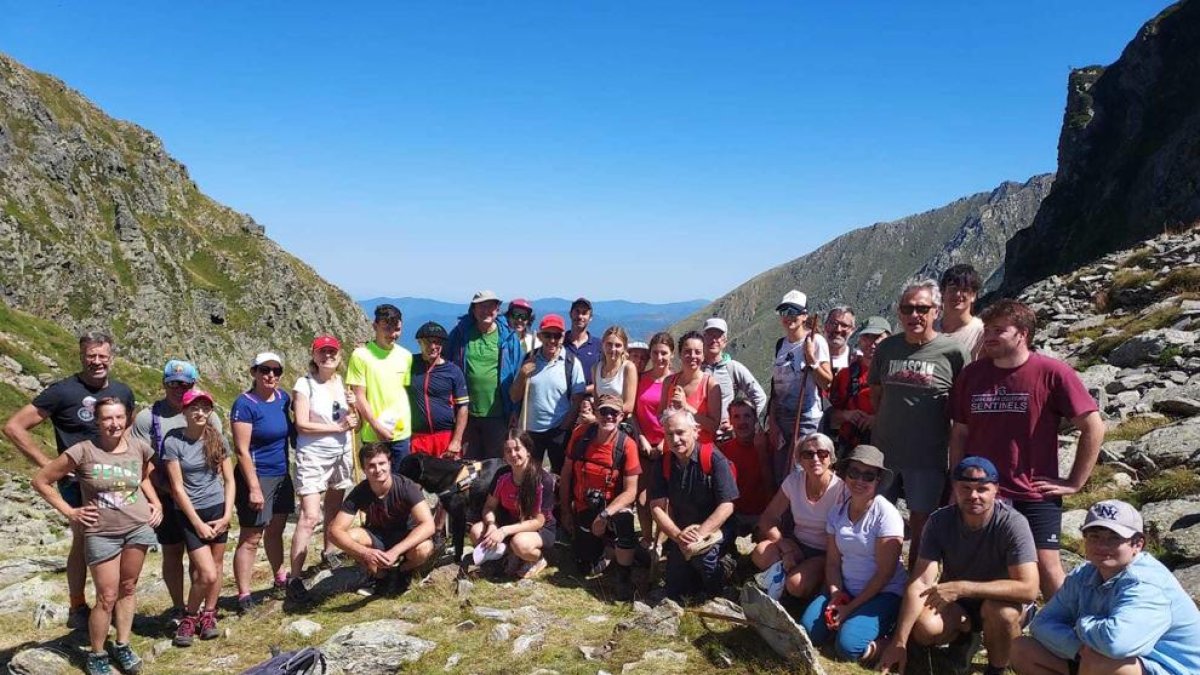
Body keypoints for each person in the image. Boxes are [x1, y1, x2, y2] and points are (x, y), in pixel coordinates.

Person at [949, 299, 1104, 599]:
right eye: (987, 330)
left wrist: (1074, 482)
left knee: (1047, 568)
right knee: (968, 563)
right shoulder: (972, 374)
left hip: (1033, 491)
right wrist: (957, 480)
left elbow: (1094, 427)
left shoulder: (1052, 373)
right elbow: (960, 433)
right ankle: (969, 632)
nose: (989, 337)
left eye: (999, 330)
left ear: (1022, 334)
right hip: (980, 488)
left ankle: (1070, 637)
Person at [3, 331, 135, 630]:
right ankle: (78, 604)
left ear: (111, 358)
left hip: (116, 479)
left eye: (103, 356)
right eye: (91, 356)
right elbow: (14, 427)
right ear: (81, 356)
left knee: (123, 537)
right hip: (77, 484)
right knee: (84, 540)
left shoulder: (123, 392)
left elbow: (126, 430)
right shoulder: (62, 392)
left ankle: (113, 602)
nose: (97, 362)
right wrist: (50, 465)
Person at [32, 397, 161, 675]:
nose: (114, 424)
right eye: (107, 419)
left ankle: (123, 644)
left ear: (126, 418)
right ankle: (97, 653)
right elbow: (41, 480)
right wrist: (71, 512)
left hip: (137, 526)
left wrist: (156, 503)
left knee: (128, 587)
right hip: (102, 532)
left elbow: (145, 477)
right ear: (97, 421)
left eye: (119, 418)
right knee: (107, 595)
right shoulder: (83, 451)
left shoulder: (138, 447)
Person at [878, 457, 1039, 675]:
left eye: (982, 489)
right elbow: (920, 582)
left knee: (1000, 613)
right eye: (966, 488)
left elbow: (1028, 589)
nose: (974, 495)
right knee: (925, 626)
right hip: (959, 603)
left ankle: (996, 669)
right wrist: (900, 641)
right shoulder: (939, 521)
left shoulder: (1013, 524)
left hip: (1001, 602)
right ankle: (964, 642)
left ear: (996, 490)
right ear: (955, 488)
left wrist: (963, 588)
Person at [1012, 500, 1200, 675]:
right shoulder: (1084, 573)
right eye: (1094, 536)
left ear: (1137, 544)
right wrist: (1078, 648)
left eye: (1113, 538)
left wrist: (1081, 625)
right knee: (1022, 649)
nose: (1102, 545)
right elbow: (1042, 624)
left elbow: (1116, 644)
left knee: (1099, 661)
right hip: (1107, 659)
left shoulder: (1146, 583)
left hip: (1173, 669)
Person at [869, 280, 970, 569]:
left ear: (936, 311)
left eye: (922, 309)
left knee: (922, 523)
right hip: (885, 454)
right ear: (899, 313)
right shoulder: (887, 348)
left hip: (928, 456)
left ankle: (913, 582)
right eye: (907, 308)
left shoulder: (953, 352)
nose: (915, 315)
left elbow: (961, 405)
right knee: (880, 519)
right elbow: (877, 392)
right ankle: (881, 578)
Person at [127, 359, 222, 626]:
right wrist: (159, 494)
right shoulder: (148, 417)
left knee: (200, 555)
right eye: (173, 384)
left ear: (194, 384)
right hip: (166, 496)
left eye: (185, 384)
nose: (179, 389)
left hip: (202, 498)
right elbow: (140, 462)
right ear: (164, 384)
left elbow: (215, 452)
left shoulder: (208, 414)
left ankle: (201, 608)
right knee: (172, 551)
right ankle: (179, 607)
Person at [799, 444, 906, 664]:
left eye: (868, 476)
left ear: (878, 480)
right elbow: (832, 563)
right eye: (854, 472)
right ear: (845, 475)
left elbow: (884, 574)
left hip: (883, 592)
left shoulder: (887, 515)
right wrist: (836, 595)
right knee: (808, 632)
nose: (860, 480)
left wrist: (849, 608)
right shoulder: (837, 512)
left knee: (848, 648)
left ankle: (894, 643)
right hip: (846, 588)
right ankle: (851, 625)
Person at [161, 389, 235, 648]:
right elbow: (177, 487)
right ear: (184, 411)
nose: (200, 412)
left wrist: (227, 514)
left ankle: (209, 615)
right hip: (191, 513)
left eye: (205, 408)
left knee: (216, 566)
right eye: (194, 408)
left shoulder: (217, 439)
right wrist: (196, 523)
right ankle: (189, 617)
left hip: (217, 509)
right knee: (206, 572)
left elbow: (229, 479)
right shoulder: (173, 441)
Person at [287, 335, 358, 602]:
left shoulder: (341, 383)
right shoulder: (304, 384)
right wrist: (337, 428)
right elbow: (302, 424)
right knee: (309, 516)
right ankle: (294, 577)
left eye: (333, 352)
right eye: (322, 352)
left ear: (339, 355)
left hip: (341, 452)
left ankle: (329, 552)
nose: (328, 356)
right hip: (313, 454)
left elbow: (352, 421)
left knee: (334, 508)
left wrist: (353, 416)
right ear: (314, 355)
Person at [650, 408, 738, 602]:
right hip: (682, 533)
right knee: (676, 590)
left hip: (715, 529)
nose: (675, 439)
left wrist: (699, 536)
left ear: (695, 430)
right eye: (669, 434)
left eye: (680, 432)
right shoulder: (663, 463)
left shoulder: (714, 459)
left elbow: (727, 505)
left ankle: (724, 573)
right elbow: (656, 506)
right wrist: (678, 536)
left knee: (704, 560)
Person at [230, 351, 296, 613]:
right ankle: (244, 594)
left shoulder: (283, 399)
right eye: (264, 370)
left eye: (276, 371)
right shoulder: (244, 404)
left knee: (276, 528)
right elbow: (242, 450)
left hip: (281, 473)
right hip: (256, 477)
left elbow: (292, 432)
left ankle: (279, 577)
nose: (270, 375)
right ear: (254, 372)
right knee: (251, 536)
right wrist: (254, 487)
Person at [327, 442, 436, 596]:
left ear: (390, 463)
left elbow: (428, 525)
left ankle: (403, 571)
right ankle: (379, 575)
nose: (378, 470)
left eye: (382, 463)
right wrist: (365, 552)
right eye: (371, 465)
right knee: (350, 538)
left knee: (424, 548)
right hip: (377, 536)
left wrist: (395, 551)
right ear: (363, 469)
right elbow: (335, 530)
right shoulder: (360, 491)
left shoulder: (406, 486)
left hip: (407, 536)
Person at [560, 394, 641, 596]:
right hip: (584, 506)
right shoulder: (581, 435)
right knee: (584, 567)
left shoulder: (627, 445)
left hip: (611, 508)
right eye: (604, 411)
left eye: (614, 412)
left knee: (624, 520)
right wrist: (565, 511)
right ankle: (608, 551)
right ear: (596, 412)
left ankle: (623, 576)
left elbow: (631, 491)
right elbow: (567, 472)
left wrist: (604, 515)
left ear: (621, 416)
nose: (608, 417)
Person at [751, 432, 845, 601]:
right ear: (799, 460)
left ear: (831, 458)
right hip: (797, 544)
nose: (815, 459)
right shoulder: (794, 481)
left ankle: (785, 582)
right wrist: (784, 545)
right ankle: (782, 580)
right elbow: (768, 518)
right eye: (808, 454)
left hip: (824, 552)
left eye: (822, 453)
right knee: (760, 552)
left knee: (795, 584)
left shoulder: (842, 490)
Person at [446, 290, 523, 460]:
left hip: (498, 414)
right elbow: (446, 363)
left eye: (491, 306)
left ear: (497, 309)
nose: (487, 310)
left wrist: (514, 410)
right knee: (468, 465)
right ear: (473, 310)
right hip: (466, 413)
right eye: (482, 306)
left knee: (495, 464)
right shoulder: (460, 334)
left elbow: (518, 375)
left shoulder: (508, 337)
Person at [471, 430, 556, 578]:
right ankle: (510, 554)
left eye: (517, 449)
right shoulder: (502, 475)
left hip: (538, 529)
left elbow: (538, 521)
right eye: (508, 450)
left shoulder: (543, 479)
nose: (513, 454)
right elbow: (489, 507)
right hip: (510, 521)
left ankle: (538, 558)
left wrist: (503, 531)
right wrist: (491, 524)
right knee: (476, 531)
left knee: (520, 544)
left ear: (528, 450)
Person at [768, 291, 832, 486]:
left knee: (801, 472)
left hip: (805, 420)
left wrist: (812, 360)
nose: (788, 316)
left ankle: (802, 515)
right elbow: (775, 387)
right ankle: (785, 515)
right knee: (782, 472)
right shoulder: (781, 344)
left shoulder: (815, 341)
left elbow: (827, 382)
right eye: (784, 312)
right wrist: (772, 421)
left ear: (804, 315)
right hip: (782, 418)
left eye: (793, 312)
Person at [510, 314, 587, 473]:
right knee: (530, 475)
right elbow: (514, 396)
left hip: (558, 430)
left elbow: (578, 399)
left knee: (560, 474)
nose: (552, 340)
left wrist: (564, 427)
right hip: (530, 431)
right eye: (547, 335)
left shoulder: (571, 362)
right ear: (539, 335)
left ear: (563, 336)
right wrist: (523, 374)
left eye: (557, 335)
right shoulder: (529, 359)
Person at [347, 304, 414, 465]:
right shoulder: (360, 356)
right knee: (377, 484)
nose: (393, 334)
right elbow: (359, 395)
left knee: (400, 484)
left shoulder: (406, 356)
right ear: (375, 326)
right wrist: (377, 426)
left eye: (397, 329)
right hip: (373, 433)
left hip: (401, 432)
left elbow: (400, 392)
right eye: (387, 328)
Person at [631, 331, 674, 549]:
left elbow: (676, 416)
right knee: (641, 498)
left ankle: (660, 541)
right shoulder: (640, 380)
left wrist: (663, 442)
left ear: (671, 355)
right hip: (643, 447)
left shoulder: (675, 381)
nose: (659, 357)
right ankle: (647, 538)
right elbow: (633, 413)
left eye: (664, 353)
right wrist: (640, 438)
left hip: (667, 447)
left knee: (664, 499)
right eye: (655, 352)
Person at [407, 322, 469, 459]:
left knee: (449, 479)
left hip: (446, 438)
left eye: (437, 342)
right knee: (416, 480)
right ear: (419, 342)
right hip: (417, 438)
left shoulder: (453, 371)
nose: (433, 347)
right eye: (427, 342)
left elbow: (463, 408)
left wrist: (457, 441)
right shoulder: (409, 364)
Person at [828, 317, 889, 453]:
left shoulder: (899, 375)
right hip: (851, 450)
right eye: (866, 337)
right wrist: (847, 415)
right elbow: (830, 416)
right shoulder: (846, 375)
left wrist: (877, 421)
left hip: (887, 449)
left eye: (877, 337)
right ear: (859, 340)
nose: (871, 343)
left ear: (889, 340)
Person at [700, 317, 768, 433]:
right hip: (698, 436)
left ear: (725, 341)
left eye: (718, 336)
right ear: (703, 339)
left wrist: (743, 423)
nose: (714, 339)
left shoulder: (733, 368)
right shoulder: (696, 368)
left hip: (725, 436)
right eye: (710, 335)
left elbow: (760, 397)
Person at [717, 399, 772, 533]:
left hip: (762, 514)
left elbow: (772, 487)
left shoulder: (769, 446)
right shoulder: (722, 451)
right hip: (733, 515)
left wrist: (762, 454)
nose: (742, 422)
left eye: (747, 416)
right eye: (736, 417)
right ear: (730, 421)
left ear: (755, 419)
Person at [659, 331, 722, 445]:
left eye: (698, 352)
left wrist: (685, 407)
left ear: (703, 356)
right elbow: (660, 416)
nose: (693, 356)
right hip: (672, 449)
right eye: (687, 352)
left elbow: (713, 426)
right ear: (680, 354)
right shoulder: (669, 382)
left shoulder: (710, 385)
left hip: (700, 452)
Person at [939, 264, 985, 360]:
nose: (958, 294)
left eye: (965, 290)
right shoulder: (929, 328)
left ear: (973, 295)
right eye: (953, 289)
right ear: (942, 292)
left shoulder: (981, 333)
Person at [593, 325, 639, 414]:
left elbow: (629, 406)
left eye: (618, 345)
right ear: (603, 345)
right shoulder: (595, 368)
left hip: (621, 421)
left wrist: (608, 414)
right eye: (609, 344)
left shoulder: (628, 368)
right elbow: (596, 402)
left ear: (624, 348)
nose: (613, 349)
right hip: (602, 421)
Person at [566, 297, 603, 391]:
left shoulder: (598, 346)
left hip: (587, 402)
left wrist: (581, 391)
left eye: (584, 313)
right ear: (570, 314)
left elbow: (603, 380)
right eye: (577, 311)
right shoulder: (559, 343)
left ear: (590, 318)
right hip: (560, 402)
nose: (580, 316)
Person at [825, 306, 858, 373]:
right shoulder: (811, 355)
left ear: (852, 330)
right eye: (834, 324)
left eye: (844, 325)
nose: (838, 330)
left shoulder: (858, 360)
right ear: (825, 326)